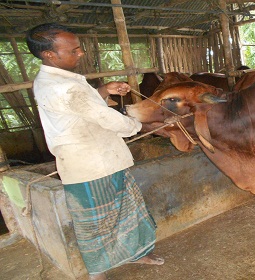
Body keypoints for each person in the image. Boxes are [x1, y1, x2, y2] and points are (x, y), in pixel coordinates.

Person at [26, 23, 164, 280]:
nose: (80, 54)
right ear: (49, 55)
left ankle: (138, 252)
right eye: (73, 50)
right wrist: (143, 125)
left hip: (107, 157)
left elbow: (83, 107)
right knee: (94, 223)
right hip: (88, 165)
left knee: (129, 209)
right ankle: (97, 273)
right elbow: (107, 119)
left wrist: (104, 90)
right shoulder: (63, 87)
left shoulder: (58, 80)